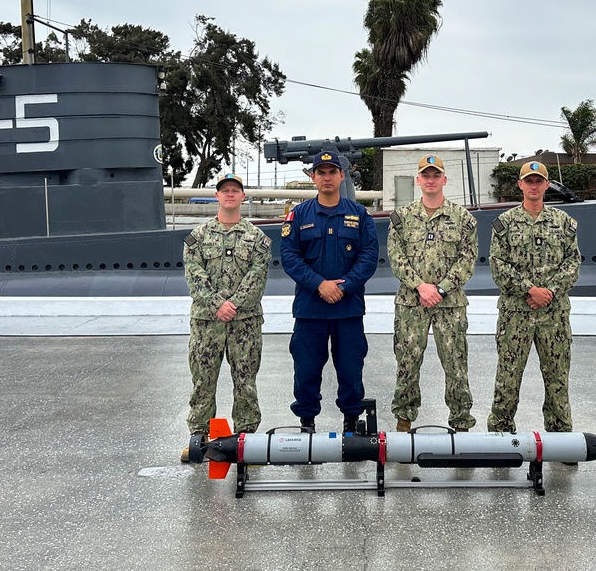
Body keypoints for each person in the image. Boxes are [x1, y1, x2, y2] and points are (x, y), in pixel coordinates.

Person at [279, 150, 379, 433]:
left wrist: (344, 286)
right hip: (311, 309)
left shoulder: (359, 215)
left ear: (341, 176)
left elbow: (369, 256)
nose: (326, 177)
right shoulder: (298, 216)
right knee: (307, 368)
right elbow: (290, 257)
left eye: (332, 172)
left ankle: (351, 419)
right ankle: (307, 422)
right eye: (321, 172)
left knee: (350, 368)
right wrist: (319, 284)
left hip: (347, 309)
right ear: (313, 177)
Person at [181, 173, 271, 462]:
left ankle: (246, 440)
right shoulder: (198, 237)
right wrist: (218, 305)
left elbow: (257, 278)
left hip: (245, 323)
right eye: (225, 191)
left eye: (235, 190)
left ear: (243, 197)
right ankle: (200, 439)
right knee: (203, 380)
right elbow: (195, 276)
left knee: (245, 381)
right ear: (217, 196)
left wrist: (233, 304)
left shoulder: (258, 239)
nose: (230, 194)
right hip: (208, 323)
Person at [487, 161, 581, 437]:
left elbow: (573, 264)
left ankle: (560, 435)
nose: (534, 185)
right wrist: (531, 290)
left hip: (554, 315)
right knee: (508, 376)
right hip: (516, 314)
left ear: (546, 185)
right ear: (520, 185)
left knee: (557, 377)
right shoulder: (504, 223)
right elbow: (498, 265)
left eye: (539, 181)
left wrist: (548, 291)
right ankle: (500, 433)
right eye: (529, 181)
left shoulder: (564, 223)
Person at [387, 154, 478, 432]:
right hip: (411, 304)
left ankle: (461, 421)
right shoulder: (401, 218)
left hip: (449, 304)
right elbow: (395, 255)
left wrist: (439, 289)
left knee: (455, 364)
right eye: (425, 175)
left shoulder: (463, 218)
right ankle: (404, 418)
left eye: (435, 175)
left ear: (444, 180)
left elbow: (467, 258)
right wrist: (420, 286)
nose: (430, 180)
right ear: (418, 180)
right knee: (407, 362)